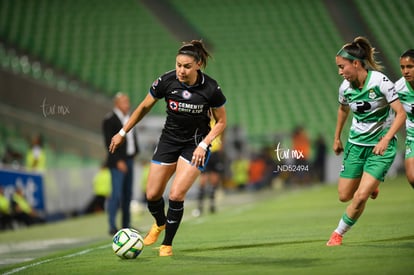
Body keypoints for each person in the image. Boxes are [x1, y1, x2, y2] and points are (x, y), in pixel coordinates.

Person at [109, 40, 227, 256]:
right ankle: (160, 223)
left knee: (176, 194)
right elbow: (144, 106)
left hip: (195, 144)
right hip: (169, 141)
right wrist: (122, 132)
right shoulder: (166, 81)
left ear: (198, 64)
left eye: (187, 66)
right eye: (178, 65)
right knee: (152, 194)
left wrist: (204, 144)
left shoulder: (211, 88)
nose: (181, 70)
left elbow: (221, 122)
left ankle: (167, 244)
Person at [326, 36, 406, 246]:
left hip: (381, 148)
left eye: (342, 67)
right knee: (344, 195)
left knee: (360, 196)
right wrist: (336, 138)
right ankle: (371, 185)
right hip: (356, 145)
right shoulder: (345, 88)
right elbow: (343, 109)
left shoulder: (381, 82)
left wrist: (386, 139)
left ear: (356, 63)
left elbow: (401, 114)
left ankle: (337, 233)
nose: (340, 72)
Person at [103, 93, 139, 235]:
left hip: (130, 159)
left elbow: (132, 138)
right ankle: (112, 225)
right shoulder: (110, 120)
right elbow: (108, 142)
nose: (127, 104)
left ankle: (126, 225)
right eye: (124, 101)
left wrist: (135, 152)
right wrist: (118, 160)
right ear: (116, 103)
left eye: (127, 101)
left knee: (127, 194)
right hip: (118, 162)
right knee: (116, 194)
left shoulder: (129, 117)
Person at [395, 49, 414, 188]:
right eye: (402, 67)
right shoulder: (398, 88)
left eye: (410, 67)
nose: (405, 71)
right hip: (413, 137)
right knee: (412, 177)